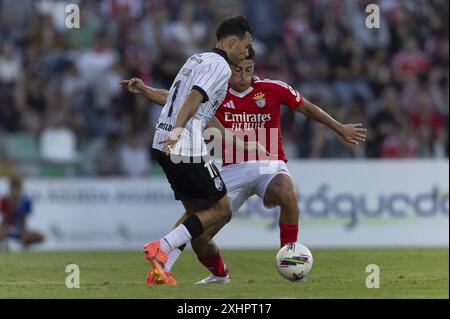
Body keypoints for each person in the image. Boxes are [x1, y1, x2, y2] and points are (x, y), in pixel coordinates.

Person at [120, 47, 367, 284]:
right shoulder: (217, 90)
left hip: (267, 164)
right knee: (200, 235)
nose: (243, 76)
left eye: (248, 70)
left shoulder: (272, 88)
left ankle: (288, 255)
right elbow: (175, 99)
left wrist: (339, 128)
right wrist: (144, 89)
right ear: (229, 68)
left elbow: (306, 107)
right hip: (231, 168)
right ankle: (217, 274)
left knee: (287, 191)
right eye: (238, 70)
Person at [135, 16, 254, 285]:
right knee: (222, 209)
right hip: (184, 143)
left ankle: (161, 269)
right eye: (246, 46)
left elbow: (177, 98)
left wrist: (145, 91)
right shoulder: (220, 67)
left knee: (194, 214)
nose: (247, 53)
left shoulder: (197, 59)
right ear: (233, 42)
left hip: (161, 141)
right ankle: (161, 247)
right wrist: (179, 130)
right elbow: (193, 98)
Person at [0, 175, 45, 249]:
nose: (16, 191)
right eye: (14, 188)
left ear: (21, 189)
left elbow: (24, 219)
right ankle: (7, 243)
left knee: (41, 236)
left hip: (20, 230)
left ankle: (18, 245)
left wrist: (24, 232)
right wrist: (2, 231)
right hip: (8, 229)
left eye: (18, 188)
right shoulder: (4, 200)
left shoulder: (26, 201)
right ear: (10, 189)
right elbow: (4, 220)